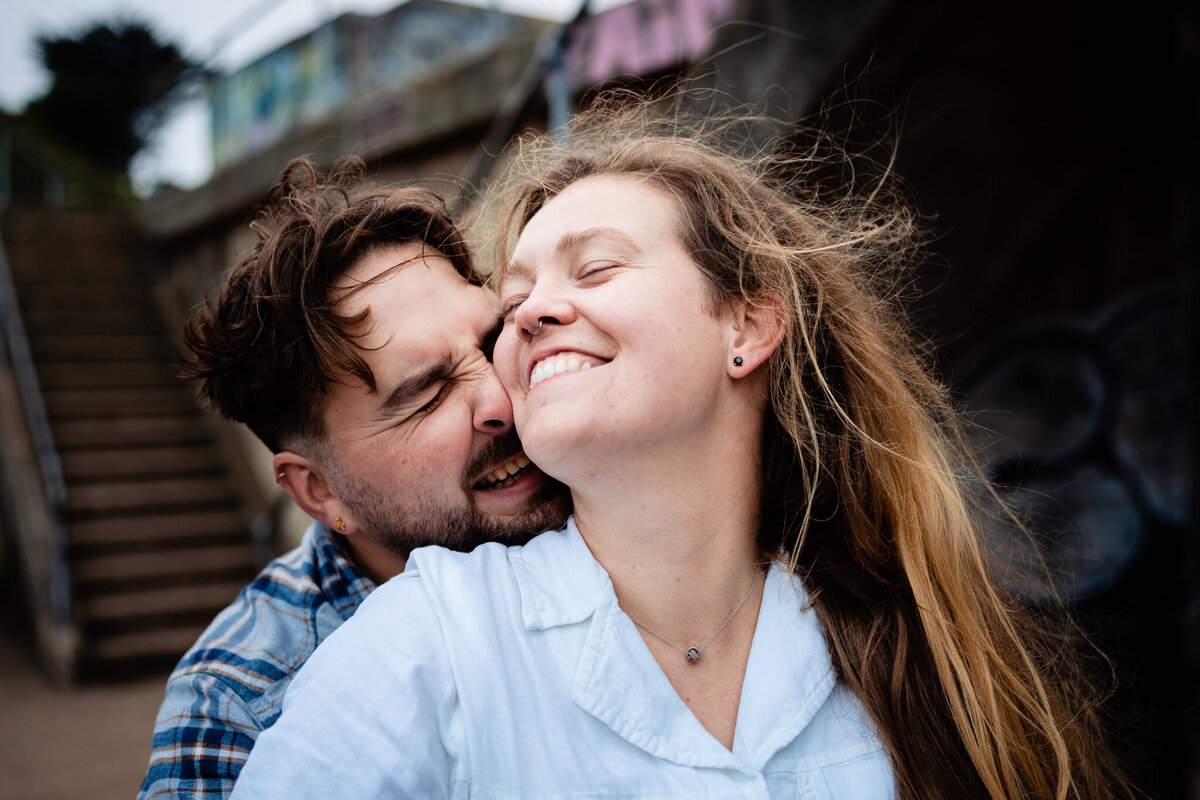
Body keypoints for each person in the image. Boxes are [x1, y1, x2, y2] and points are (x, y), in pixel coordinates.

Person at [230, 99, 1132, 799]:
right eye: (519, 295)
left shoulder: (917, 639)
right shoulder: (424, 646)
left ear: (747, 323)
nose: (531, 315)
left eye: (595, 268)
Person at [137, 158, 570, 799]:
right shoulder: (243, 705)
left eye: (493, 339)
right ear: (320, 491)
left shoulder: (623, 494)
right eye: (427, 394)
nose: (502, 401)